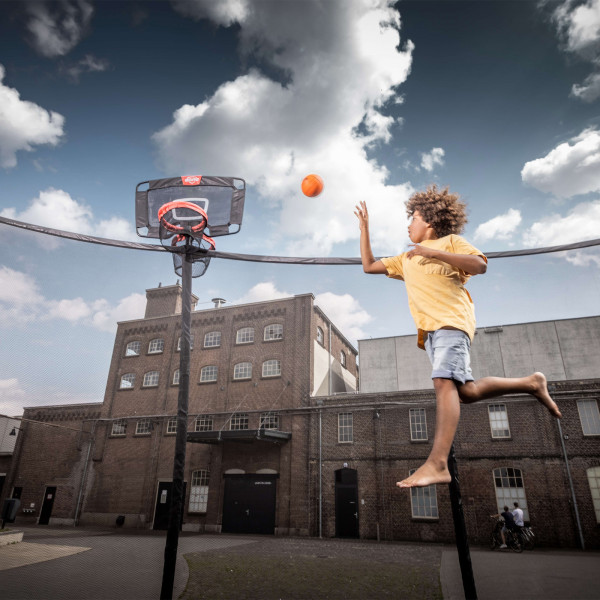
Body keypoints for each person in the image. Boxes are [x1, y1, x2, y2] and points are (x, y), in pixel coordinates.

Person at [354, 185, 562, 489]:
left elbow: (480, 264)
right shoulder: (406, 259)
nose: (408, 223)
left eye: (412, 217)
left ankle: (437, 464)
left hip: (452, 322)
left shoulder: (451, 242)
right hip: (432, 333)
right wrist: (364, 229)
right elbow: (369, 266)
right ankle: (531, 382)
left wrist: (433, 252)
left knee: (442, 381)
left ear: (430, 222)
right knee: (466, 392)